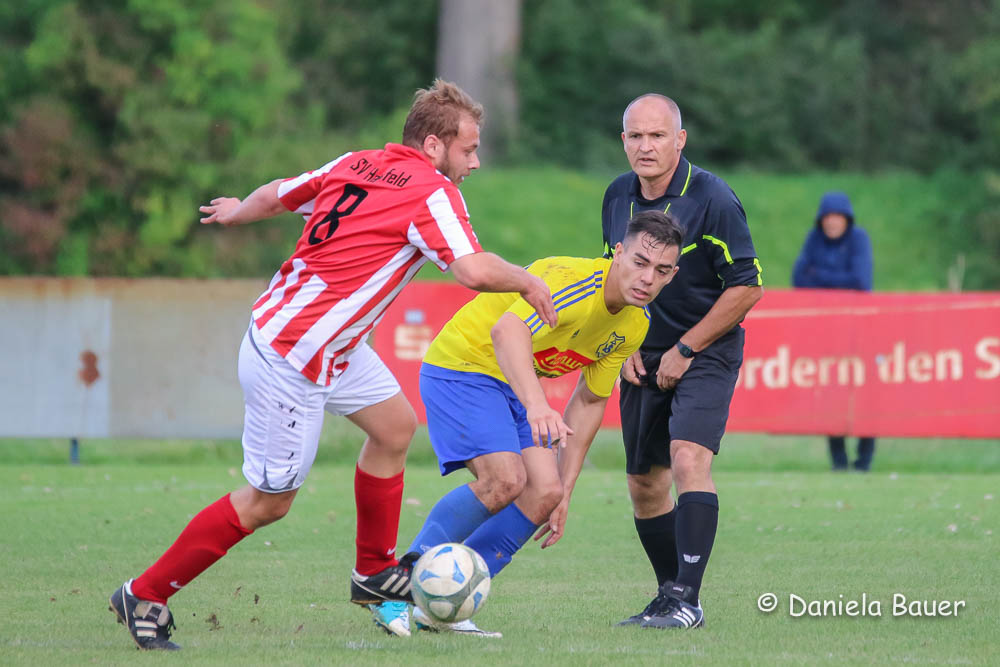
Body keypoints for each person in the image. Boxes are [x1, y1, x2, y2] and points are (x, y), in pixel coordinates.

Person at [106, 79, 559, 651]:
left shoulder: (359, 162)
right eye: (468, 149)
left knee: (395, 427)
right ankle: (145, 593)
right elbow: (470, 271)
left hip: (319, 342)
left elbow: (279, 194)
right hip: (293, 356)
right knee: (267, 502)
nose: (475, 161)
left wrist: (237, 211)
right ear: (433, 146)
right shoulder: (432, 190)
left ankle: (372, 570)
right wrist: (528, 279)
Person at [370, 210, 684, 638]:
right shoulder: (573, 284)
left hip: (514, 383)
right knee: (504, 479)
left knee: (544, 492)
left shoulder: (634, 325)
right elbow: (506, 332)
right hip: (464, 365)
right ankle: (396, 589)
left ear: (673, 274)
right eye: (639, 263)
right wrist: (537, 406)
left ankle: (443, 601)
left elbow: (590, 400)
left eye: (662, 270)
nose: (648, 278)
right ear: (617, 253)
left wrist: (566, 489)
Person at [602, 94, 763, 629]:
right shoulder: (616, 196)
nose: (646, 147)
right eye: (635, 136)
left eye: (657, 136)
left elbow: (747, 286)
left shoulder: (712, 197)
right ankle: (670, 596)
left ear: (680, 140)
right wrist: (618, 345)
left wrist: (687, 348)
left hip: (706, 350)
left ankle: (687, 601)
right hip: (641, 355)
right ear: (623, 140)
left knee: (689, 459)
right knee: (645, 485)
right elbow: (615, 279)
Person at [792, 191, 875, 471]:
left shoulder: (859, 239)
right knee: (832, 393)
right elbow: (798, 278)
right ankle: (839, 462)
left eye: (837, 217)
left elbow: (861, 280)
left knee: (864, 394)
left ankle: (864, 461)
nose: (832, 223)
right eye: (827, 217)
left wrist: (821, 278)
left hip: (859, 329)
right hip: (827, 330)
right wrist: (834, 282)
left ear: (846, 220)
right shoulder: (814, 240)